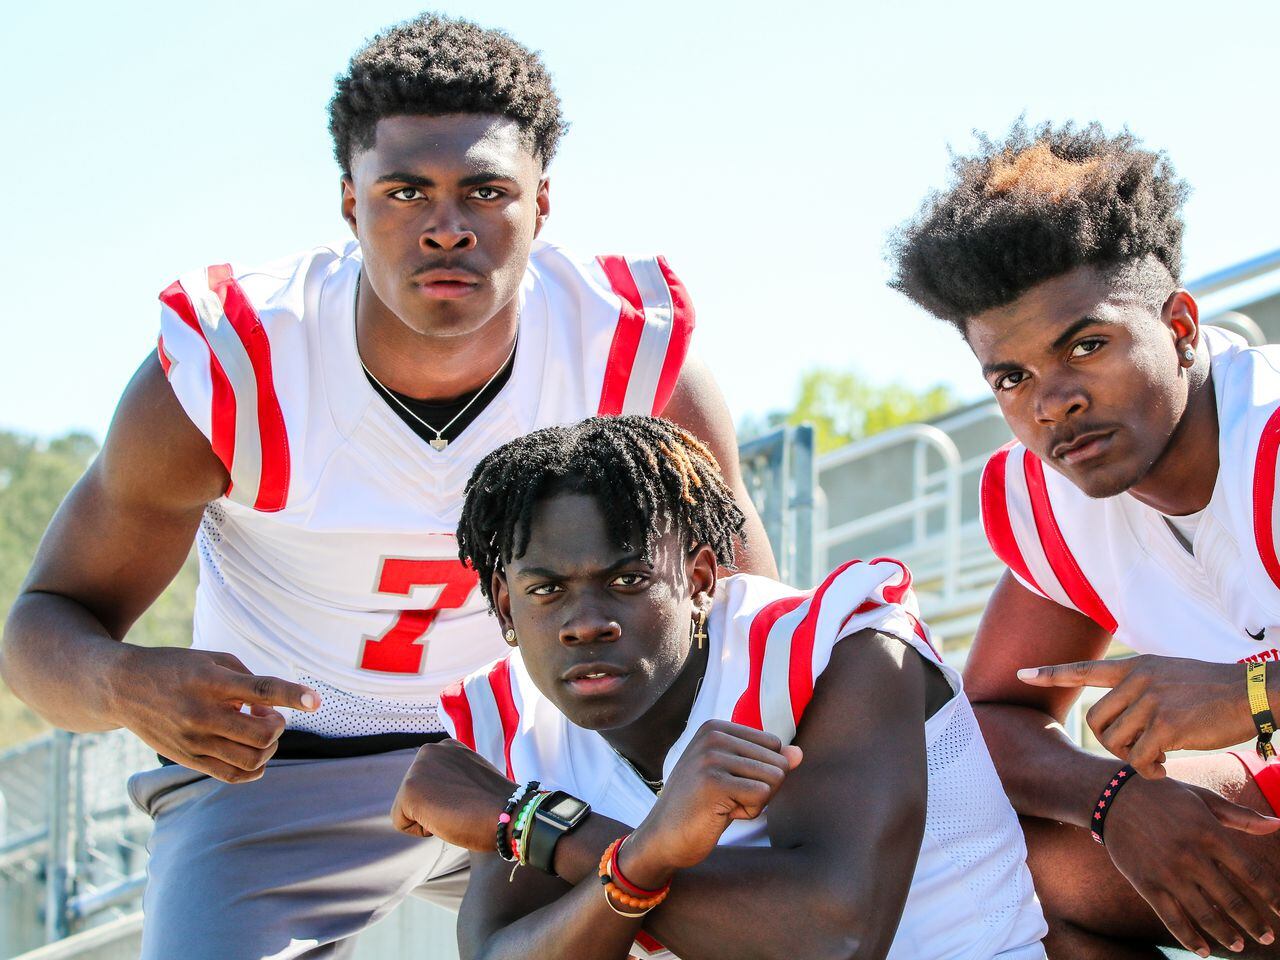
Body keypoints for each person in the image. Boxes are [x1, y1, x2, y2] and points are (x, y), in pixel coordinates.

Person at [0, 15, 772, 959]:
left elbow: (747, 624)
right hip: (286, 763)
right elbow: (38, 628)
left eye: (485, 191)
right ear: (349, 202)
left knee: (763, 920)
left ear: (541, 204)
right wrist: (126, 686)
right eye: (407, 191)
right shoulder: (233, 368)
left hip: (554, 746)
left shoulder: (632, 356)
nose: (447, 226)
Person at [390, 415, 1048, 960]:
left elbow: (832, 940)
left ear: (700, 576)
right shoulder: (514, 722)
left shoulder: (840, 648)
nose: (584, 624)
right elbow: (499, 953)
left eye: (628, 581)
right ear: (505, 608)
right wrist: (629, 855)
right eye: (546, 591)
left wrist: (541, 826)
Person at [889, 120, 1280, 959]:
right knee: (1001, 857)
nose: (1051, 401)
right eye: (1012, 377)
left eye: (1087, 345)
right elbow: (985, 717)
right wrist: (1114, 803)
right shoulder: (1054, 498)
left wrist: (1252, 694)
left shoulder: (1272, 437)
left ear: (1178, 325)